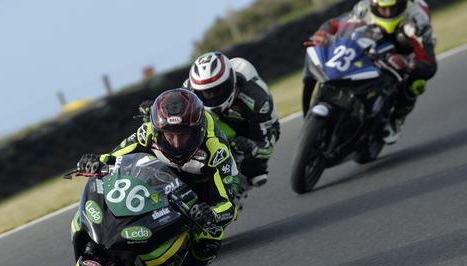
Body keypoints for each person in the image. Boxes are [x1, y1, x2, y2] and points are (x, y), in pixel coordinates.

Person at [76, 88, 238, 266]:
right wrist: (96, 161)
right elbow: (114, 156)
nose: (177, 143)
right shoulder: (148, 132)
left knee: (211, 231)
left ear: (197, 130)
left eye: (184, 135)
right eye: (170, 136)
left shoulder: (216, 150)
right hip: (161, 174)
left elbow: (228, 205)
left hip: (202, 185)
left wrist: (212, 214)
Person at [303, 0, 437, 144]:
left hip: (406, 49)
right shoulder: (364, 8)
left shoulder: (417, 19)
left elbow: (429, 65)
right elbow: (335, 24)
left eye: (392, 9)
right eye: (383, 9)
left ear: (402, 5)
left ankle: (395, 119)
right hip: (374, 38)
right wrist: (323, 33)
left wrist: (408, 63)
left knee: (416, 83)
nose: (387, 13)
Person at [183, 51, 280, 201]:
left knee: (256, 172)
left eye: (217, 90)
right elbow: (174, 110)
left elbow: (267, 145)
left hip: (253, 126)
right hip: (215, 122)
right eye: (205, 93)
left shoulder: (256, 98)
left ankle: (238, 187)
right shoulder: (189, 89)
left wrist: (252, 146)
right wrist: (152, 111)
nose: (212, 96)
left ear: (231, 82)